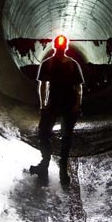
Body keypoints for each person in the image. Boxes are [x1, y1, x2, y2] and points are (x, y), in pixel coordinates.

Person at [30, 34, 84, 185]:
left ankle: (62, 170)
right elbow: (42, 85)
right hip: (54, 104)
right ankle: (45, 163)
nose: (60, 48)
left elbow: (78, 87)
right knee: (43, 133)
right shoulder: (48, 63)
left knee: (66, 137)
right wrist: (43, 104)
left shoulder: (72, 64)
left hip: (67, 104)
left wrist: (77, 105)